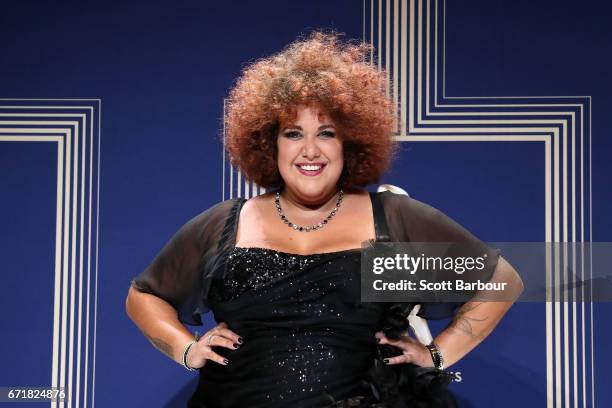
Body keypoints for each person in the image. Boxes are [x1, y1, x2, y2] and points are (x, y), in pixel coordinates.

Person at [126, 31, 523, 407]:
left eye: (327, 133)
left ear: (350, 142)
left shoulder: (392, 217)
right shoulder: (222, 223)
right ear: (268, 142)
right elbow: (144, 295)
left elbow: (502, 280)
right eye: (294, 133)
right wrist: (187, 349)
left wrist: (439, 354)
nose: (310, 150)